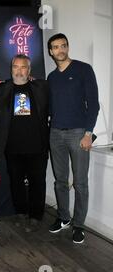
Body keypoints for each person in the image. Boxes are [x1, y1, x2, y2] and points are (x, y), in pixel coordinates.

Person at [47, 33, 100, 244]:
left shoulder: (83, 69)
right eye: (56, 47)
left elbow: (93, 104)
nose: (60, 50)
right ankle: (63, 218)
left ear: (67, 47)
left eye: (63, 46)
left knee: (80, 182)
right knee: (60, 181)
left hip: (79, 133)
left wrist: (89, 133)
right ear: (51, 52)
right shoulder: (51, 77)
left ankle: (78, 225)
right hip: (56, 133)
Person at [0, 55, 50, 233]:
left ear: (29, 70)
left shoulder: (41, 87)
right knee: (16, 183)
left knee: (38, 182)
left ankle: (36, 215)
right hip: (12, 147)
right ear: (11, 69)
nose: (19, 71)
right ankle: (20, 212)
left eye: (23, 67)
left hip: (37, 146)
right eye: (15, 67)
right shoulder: (2, 89)